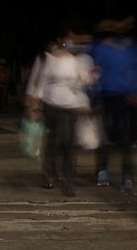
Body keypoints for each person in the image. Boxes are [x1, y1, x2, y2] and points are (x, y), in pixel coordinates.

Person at [25, 31, 95, 196]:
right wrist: (34, 107)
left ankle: (68, 181)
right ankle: (49, 174)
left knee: (70, 144)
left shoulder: (79, 61)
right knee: (54, 142)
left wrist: (89, 78)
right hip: (52, 106)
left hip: (72, 108)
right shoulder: (48, 60)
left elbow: (85, 83)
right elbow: (39, 85)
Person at [89, 16, 137, 194]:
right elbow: (94, 74)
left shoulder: (132, 48)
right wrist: (94, 99)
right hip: (106, 96)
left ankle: (127, 177)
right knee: (104, 136)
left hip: (127, 99)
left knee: (127, 140)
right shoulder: (99, 48)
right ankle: (102, 171)